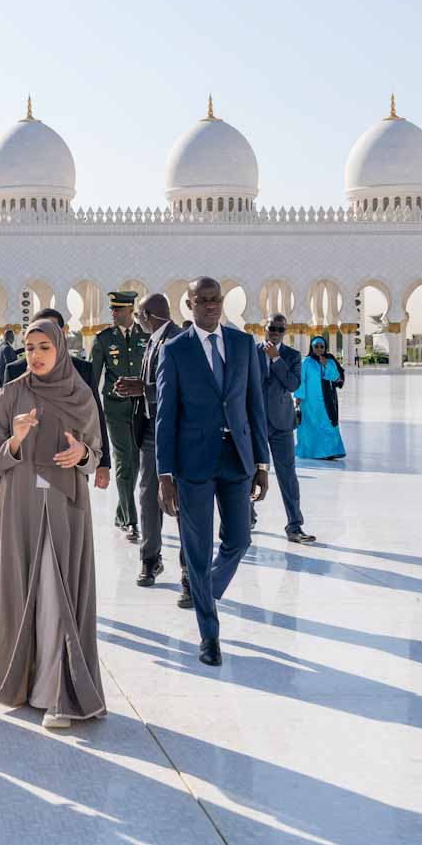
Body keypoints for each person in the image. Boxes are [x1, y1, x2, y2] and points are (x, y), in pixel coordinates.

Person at [0, 318, 106, 729]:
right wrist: (16, 440)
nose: (37, 356)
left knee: (55, 594)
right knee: (22, 590)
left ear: (60, 348)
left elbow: (95, 452)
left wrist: (81, 453)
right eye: (30, 348)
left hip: (64, 507)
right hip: (20, 506)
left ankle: (55, 694)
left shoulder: (80, 394)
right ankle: (24, 682)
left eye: (45, 347)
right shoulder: (12, 394)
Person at [154, 277, 272, 667]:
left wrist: (261, 464)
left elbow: (255, 408)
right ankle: (210, 635)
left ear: (222, 302)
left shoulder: (242, 345)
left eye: (214, 299)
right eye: (201, 300)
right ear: (189, 305)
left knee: (239, 540)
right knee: (198, 551)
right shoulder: (175, 351)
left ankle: (206, 589)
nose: (209, 305)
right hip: (193, 464)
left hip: (236, 459)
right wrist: (164, 474)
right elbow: (165, 417)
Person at [1, 309, 111, 496]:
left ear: (62, 333)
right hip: (27, 469)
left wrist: (103, 463)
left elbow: (96, 417)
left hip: (70, 466)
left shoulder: (82, 370)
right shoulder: (15, 373)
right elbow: (4, 426)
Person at [126, 293, 186, 597]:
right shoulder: (152, 341)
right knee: (148, 495)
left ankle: (188, 569)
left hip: (179, 433)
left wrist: (143, 389)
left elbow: (183, 390)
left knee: (181, 498)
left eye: (138, 317)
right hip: (151, 430)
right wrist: (139, 391)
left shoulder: (180, 339)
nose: (138, 323)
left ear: (148, 315)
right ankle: (150, 559)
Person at [89, 290, 149, 542]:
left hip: (141, 409)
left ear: (129, 311)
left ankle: (120, 512)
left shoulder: (146, 337)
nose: (113, 313)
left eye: (117, 310)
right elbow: (93, 379)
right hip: (114, 408)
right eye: (112, 309)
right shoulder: (104, 339)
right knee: (124, 462)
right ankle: (131, 521)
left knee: (136, 462)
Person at [260, 314, 315, 543]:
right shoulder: (251, 352)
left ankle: (294, 525)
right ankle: (247, 518)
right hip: (256, 423)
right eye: (272, 328)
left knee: (288, 476)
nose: (275, 332)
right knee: (249, 473)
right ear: (264, 328)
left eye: (280, 329)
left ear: (285, 331)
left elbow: (293, 384)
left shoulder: (292, 355)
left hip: (282, 424)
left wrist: (275, 360)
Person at [295, 335, 346, 460]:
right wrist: (299, 396)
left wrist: (326, 365)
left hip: (327, 400)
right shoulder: (306, 362)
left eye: (321, 346)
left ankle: (330, 451)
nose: (319, 349)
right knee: (310, 425)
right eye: (316, 346)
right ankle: (310, 451)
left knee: (327, 423)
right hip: (309, 401)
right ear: (311, 347)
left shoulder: (330, 361)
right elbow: (301, 380)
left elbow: (337, 378)